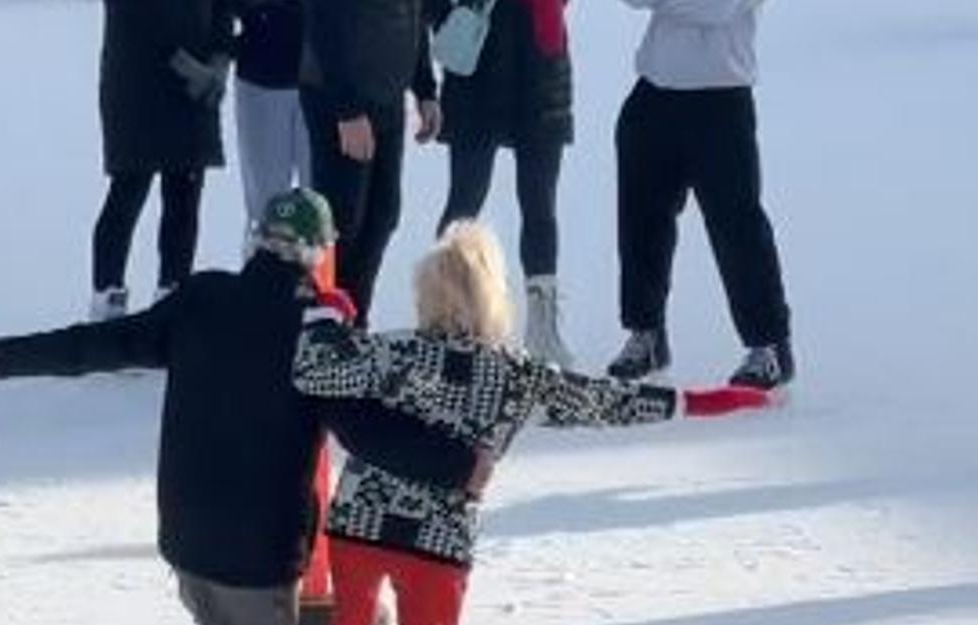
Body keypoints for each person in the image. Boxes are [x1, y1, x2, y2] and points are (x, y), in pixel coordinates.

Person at [292, 222, 773, 625]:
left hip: (362, 522)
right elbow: (606, 402)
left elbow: (313, 372)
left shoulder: (392, 352)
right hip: (440, 539)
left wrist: (326, 320)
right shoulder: (519, 375)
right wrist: (699, 401)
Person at [0, 189, 338, 625]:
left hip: (187, 541)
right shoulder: (317, 333)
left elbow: (99, 345)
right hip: (257, 558)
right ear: (320, 251)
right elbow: (367, 431)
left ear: (256, 240)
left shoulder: (202, 298)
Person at [607, 0, 794, 389]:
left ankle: (768, 343)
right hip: (654, 93)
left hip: (721, 99)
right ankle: (646, 332)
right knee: (641, 221)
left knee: (736, 226)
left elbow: (716, 9)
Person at [431, 0, 577, 369]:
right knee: (464, 202)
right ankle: (445, 318)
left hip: (540, 65)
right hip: (477, 61)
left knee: (540, 204)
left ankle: (542, 332)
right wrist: (450, 17)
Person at [298, 0, 444, 327]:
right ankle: (323, 326)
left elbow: (414, 15)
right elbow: (323, 23)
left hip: (386, 97)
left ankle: (354, 319)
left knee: (383, 214)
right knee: (341, 218)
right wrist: (347, 110)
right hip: (337, 98)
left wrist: (425, 89)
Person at [88, 0, 233, 321]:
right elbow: (135, 16)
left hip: (197, 90)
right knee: (128, 191)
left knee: (184, 198)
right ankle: (107, 303)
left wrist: (219, 60)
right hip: (137, 85)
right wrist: (186, 66)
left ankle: (173, 298)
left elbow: (223, 8)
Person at [229, 0, 312, 258]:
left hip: (325, 78)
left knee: (323, 201)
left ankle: (323, 289)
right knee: (267, 206)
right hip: (261, 77)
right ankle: (261, 286)